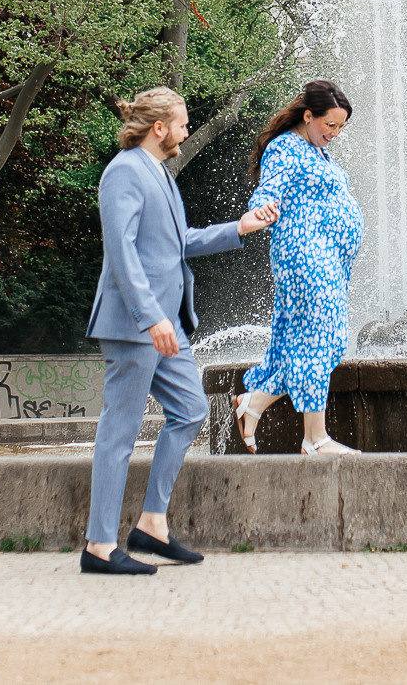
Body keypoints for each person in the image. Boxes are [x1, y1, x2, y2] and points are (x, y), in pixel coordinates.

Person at [83, 87, 279, 575]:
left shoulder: (159, 175)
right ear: (158, 128)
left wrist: (241, 227)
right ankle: (99, 546)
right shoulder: (124, 172)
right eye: (183, 123)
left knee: (191, 410)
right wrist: (151, 316)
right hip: (137, 325)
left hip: (164, 326)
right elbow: (122, 253)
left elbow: (179, 243)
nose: (188, 130)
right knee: (119, 434)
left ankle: (151, 523)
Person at [230, 80, 363, 456]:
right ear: (308, 116)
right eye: (329, 125)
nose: (334, 133)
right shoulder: (286, 147)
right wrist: (261, 210)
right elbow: (269, 190)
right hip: (304, 254)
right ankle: (314, 438)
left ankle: (254, 403)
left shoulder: (317, 151)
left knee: (323, 340)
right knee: (318, 338)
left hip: (328, 260)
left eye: (340, 127)